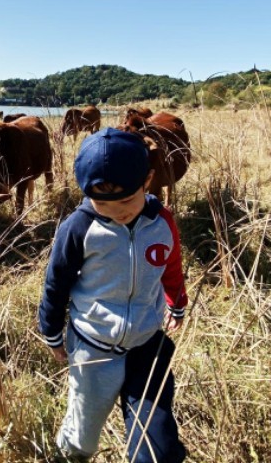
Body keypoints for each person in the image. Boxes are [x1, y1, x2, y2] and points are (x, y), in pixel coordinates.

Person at [38, 127, 188, 462]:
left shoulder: (162, 222)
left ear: (147, 181)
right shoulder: (79, 228)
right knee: (82, 434)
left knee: (158, 448)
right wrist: (51, 331)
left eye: (125, 200)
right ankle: (69, 455)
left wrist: (176, 303)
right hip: (94, 347)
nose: (117, 211)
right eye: (102, 203)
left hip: (147, 342)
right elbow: (56, 282)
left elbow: (171, 264)